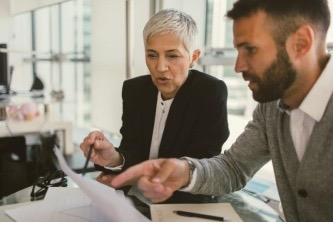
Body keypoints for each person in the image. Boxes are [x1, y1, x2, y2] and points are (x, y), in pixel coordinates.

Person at [110, 0, 333, 221]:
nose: (238, 66)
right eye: (237, 50)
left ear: (301, 43)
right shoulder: (271, 108)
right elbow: (234, 168)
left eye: (251, 50)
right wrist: (185, 172)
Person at [80, 9, 229, 203]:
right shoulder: (134, 89)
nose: (160, 67)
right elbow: (133, 149)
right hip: (136, 201)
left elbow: (201, 164)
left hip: (186, 205)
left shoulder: (210, 91)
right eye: (152, 55)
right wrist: (113, 158)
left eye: (172, 56)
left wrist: (132, 179)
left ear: (194, 56)